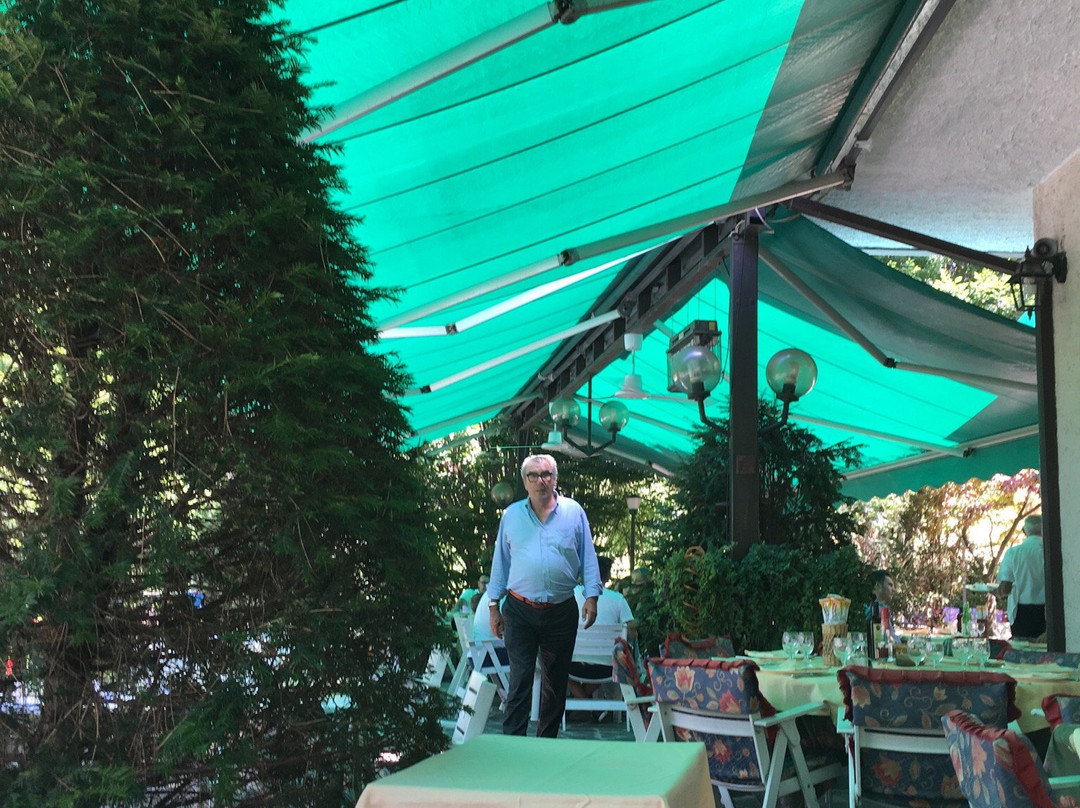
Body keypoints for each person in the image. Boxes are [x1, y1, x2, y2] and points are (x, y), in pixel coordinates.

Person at [486, 454, 602, 737]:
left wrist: (592, 596)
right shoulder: (511, 515)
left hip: (560, 610)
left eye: (546, 474)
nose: (541, 481)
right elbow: (500, 563)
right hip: (519, 609)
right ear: (525, 482)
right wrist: (493, 605)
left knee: (555, 683)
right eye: (533, 476)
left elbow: (588, 556)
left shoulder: (573, 512)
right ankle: (513, 745)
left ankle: (546, 744)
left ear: (555, 479)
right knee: (520, 679)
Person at [568, 556, 635, 700]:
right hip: (608, 668)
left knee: (551, 665)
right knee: (605, 660)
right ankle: (588, 707)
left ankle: (584, 707)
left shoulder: (571, 594)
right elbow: (631, 632)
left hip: (572, 665)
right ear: (608, 576)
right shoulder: (618, 599)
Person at [996, 515, 1046, 640]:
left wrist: (996, 591)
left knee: (1022, 648)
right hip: (1048, 610)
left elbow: (1005, 588)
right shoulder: (1050, 552)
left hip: (1021, 612)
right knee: (1047, 649)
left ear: (1024, 531)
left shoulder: (1013, 553)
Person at [865, 569, 899, 643]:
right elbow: (889, 640)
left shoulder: (882, 608)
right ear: (877, 586)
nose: (893, 589)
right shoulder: (876, 610)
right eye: (890, 585)